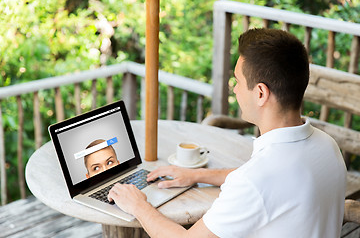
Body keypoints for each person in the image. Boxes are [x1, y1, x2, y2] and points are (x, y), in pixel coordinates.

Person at [108, 28, 347, 237]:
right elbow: (271, 182)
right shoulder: (327, 146)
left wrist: (139, 205)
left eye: (237, 81)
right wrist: (197, 175)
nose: (234, 89)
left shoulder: (257, 179)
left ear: (261, 93)